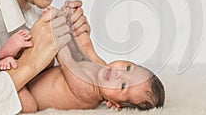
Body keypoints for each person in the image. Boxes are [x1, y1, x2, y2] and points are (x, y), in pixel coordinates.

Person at [20, 44, 165, 112]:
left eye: (122, 86)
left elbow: (67, 61)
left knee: (29, 106)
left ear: (113, 104)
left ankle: (14, 82)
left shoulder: (88, 91)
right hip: (36, 76)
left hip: (29, 94)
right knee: (46, 60)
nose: (118, 74)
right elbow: (81, 49)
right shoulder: (97, 72)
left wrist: (56, 32)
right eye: (128, 68)